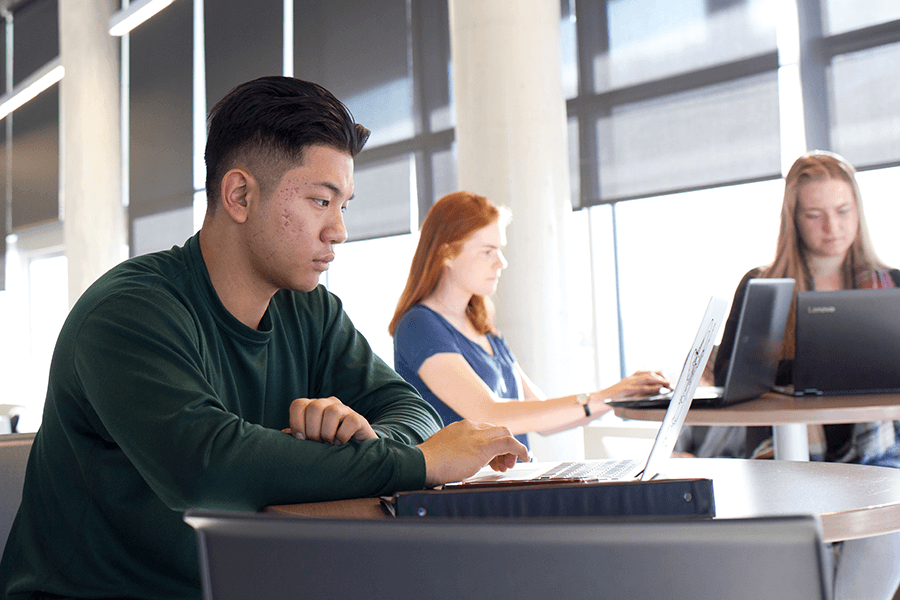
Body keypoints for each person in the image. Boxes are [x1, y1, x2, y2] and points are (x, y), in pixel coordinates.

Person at [0, 77, 528, 600]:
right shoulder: (128, 312)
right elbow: (209, 471)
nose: (339, 230)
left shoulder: (310, 308)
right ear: (239, 195)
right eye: (321, 201)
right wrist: (422, 463)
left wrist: (365, 441)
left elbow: (408, 409)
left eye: (343, 205)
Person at [715, 150, 900, 600]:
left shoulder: (891, 284)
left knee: (890, 520)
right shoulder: (762, 286)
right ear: (793, 219)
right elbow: (730, 379)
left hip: (878, 457)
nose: (831, 228)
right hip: (782, 460)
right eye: (814, 215)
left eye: (842, 212)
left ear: (858, 211)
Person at [389, 191, 669, 451]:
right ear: (447, 253)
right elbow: (488, 413)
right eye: (487, 251)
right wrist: (603, 395)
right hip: (466, 492)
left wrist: (616, 398)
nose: (501, 262)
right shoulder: (419, 327)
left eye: (500, 249)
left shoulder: (484, 328)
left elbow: (540, 414)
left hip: (508, 481)